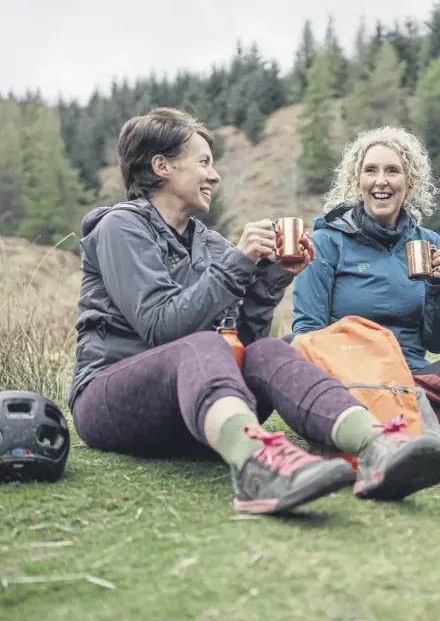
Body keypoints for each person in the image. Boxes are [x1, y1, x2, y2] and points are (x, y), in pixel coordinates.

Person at [69, 111, 440, 516]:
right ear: (162, 166)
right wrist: (238, 263)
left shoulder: (208, 243)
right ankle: (256, 466)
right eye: (203, 162)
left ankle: (378, 446)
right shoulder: (119, 228)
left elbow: (242, 343)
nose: (215, 176)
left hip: (195, 415)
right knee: (202, 346)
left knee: (272, 351)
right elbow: (162, 329)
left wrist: (269, 282)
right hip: (113, 401)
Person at [293, 126, 440, 378]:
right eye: (370, 170)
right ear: (356, 181)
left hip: (414, 378)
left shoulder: (428, 244)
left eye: (392, 170)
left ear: (411, 184)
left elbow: (435, 344)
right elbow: (308, 330)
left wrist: (437, 289)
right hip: (350, 379)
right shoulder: (325, 243)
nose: (380, 180)